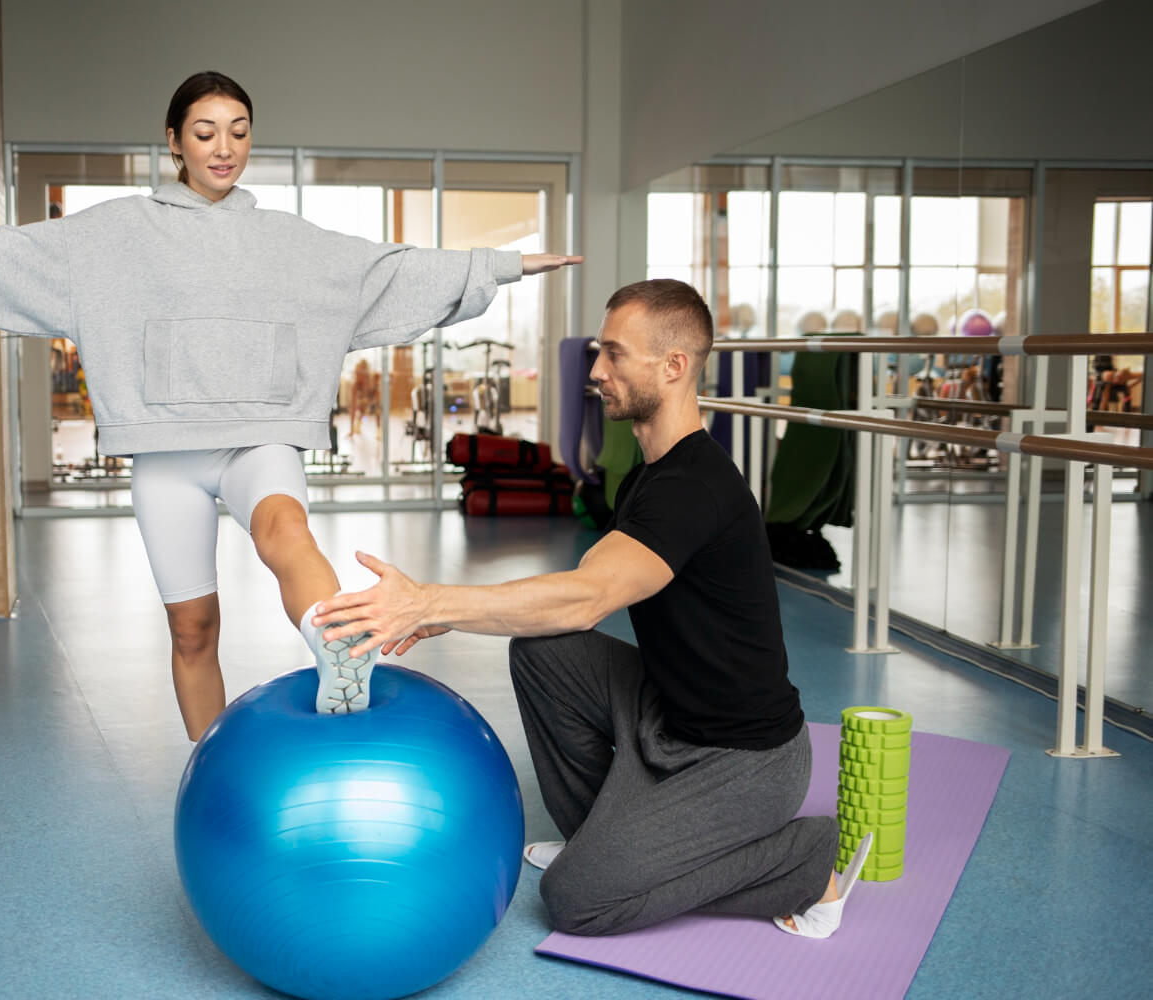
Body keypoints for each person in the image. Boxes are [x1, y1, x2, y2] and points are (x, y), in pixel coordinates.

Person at [0, 70, 580, 741]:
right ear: (174, 141)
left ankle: (340, 646)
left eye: (238, 131)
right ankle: (208, 763)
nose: (224, 147)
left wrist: (505, 266)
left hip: (259, 436)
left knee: (285, 530)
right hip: (166, 451)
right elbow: (0, 257)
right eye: (205, 132)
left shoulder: (290, 240)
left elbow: (392, 271)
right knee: (192, 630)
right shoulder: (111, 235)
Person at [312, 278, 869, 939]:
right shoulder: (648, 476)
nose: (597, 371)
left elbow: (587, 598)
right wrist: (449, 610)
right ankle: (608, 843)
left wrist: (429, 600)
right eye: (599, 353)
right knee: (544, 653)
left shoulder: (695, 488)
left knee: (577, 900)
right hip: (670, 713)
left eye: (614, 354)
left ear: (674, 366)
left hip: (742, 760)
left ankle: (804, 863)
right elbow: (579, 585)